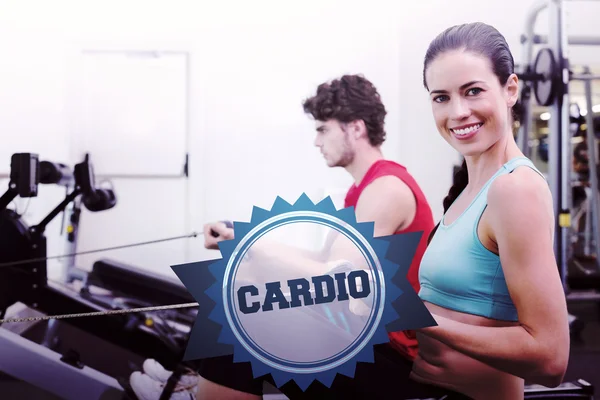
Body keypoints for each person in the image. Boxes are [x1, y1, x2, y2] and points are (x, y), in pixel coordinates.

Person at [128, 74, 437, 399]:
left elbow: (336, 279)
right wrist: (243, 239)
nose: (316, 142)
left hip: (392, 363)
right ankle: (193, 382)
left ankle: (193, 392)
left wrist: (253, 249)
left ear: (355, 128)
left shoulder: (386, 190)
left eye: (322, 129)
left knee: (242, 309)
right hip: (368, 342)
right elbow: (318, 262)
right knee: (243, 280)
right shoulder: (363, 190)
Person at [410, 22, 570, 399]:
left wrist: (415, 318)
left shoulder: (515, 189)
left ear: (510, 89)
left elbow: (551, 359)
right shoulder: (468, 190)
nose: (458, 111)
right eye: (441, 97)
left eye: (473, 91)